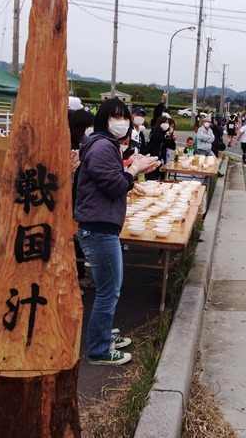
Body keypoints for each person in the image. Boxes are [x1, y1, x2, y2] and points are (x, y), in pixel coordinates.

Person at [74, 97, 159, 366]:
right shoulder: (101, 146)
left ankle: (104, 334)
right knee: (109, 291)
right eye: (117, 117)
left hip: (100, 225)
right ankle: (98, 350)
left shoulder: (104, 144)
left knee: (109, 288)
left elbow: (109, 177)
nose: (123, 122)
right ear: (104, 119)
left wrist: (131, 165)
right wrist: (133, 170)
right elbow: (114, 186)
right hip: (99, 228)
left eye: (126, 117)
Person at [68, 107, 96, 290]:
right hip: (69, 200)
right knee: (70, 239)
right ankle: (73, 277)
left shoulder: (85, 145)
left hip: (80, 199)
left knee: (77, 238)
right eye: (89, 126)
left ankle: (79, 273)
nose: (91, 129)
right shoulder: (68, 144)